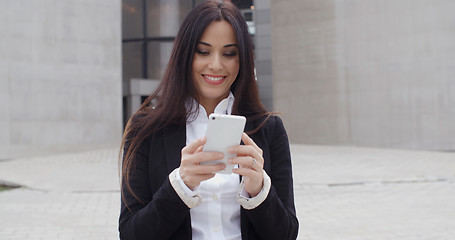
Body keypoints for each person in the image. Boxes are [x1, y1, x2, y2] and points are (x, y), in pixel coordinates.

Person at [119, 1, 299, 239]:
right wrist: (180, 186)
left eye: (229, 53)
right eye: (203, 51)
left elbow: (286, 234)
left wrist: (259, 191)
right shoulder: (145, 129)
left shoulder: (269, 129)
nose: (216, 64)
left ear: (242, 58)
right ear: (184, 54)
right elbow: (131, 234)